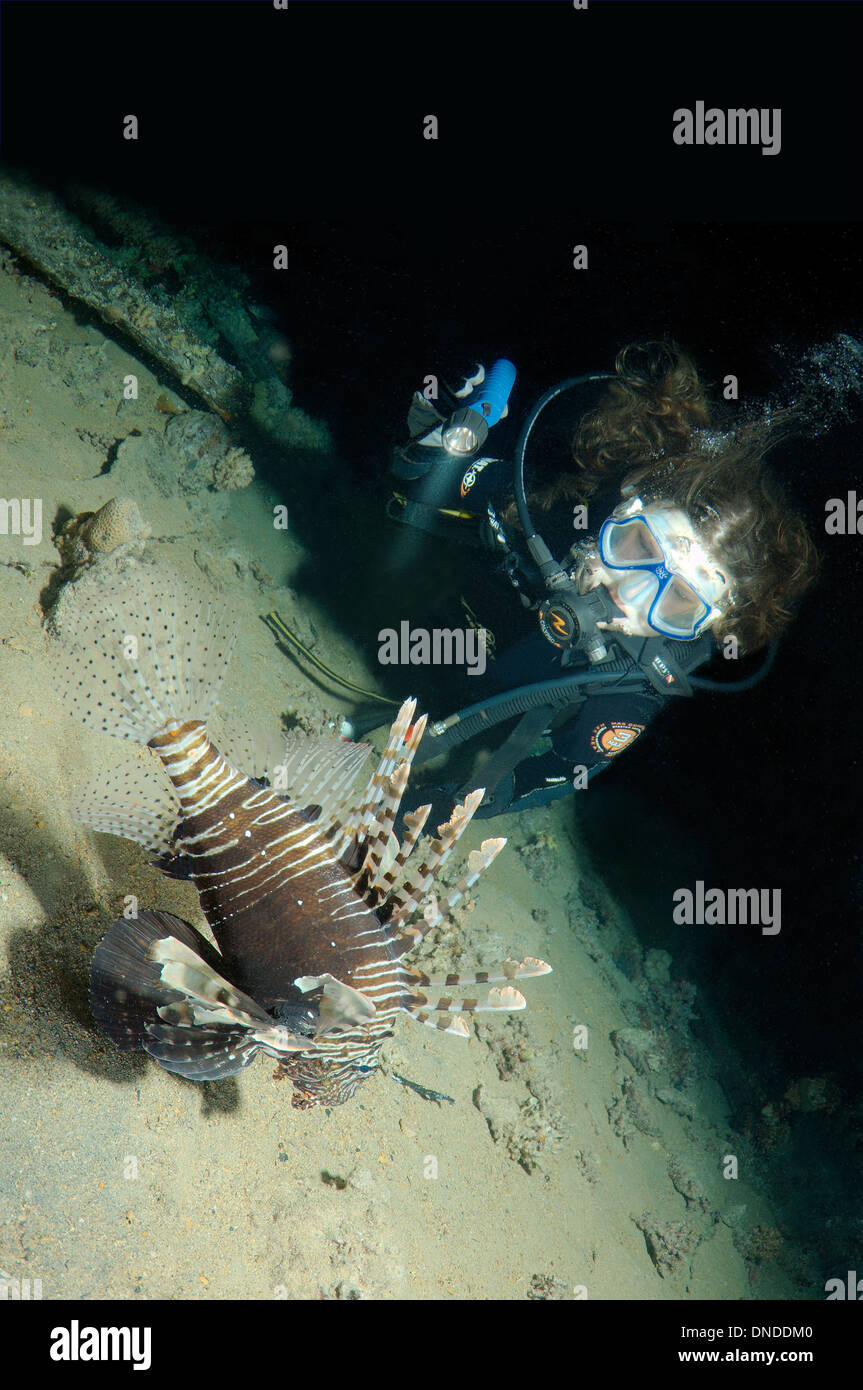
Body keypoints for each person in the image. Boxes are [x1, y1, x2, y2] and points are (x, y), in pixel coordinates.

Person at [387, 341, 819, 821]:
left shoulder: (629, 695)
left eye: (677, 599)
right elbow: (418, 482)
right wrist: (437, 439)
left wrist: (456, 805)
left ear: (705, 625)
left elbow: (561, 774)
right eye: (638, 548)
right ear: (624, 507)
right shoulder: (549, 515)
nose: (627, 596)